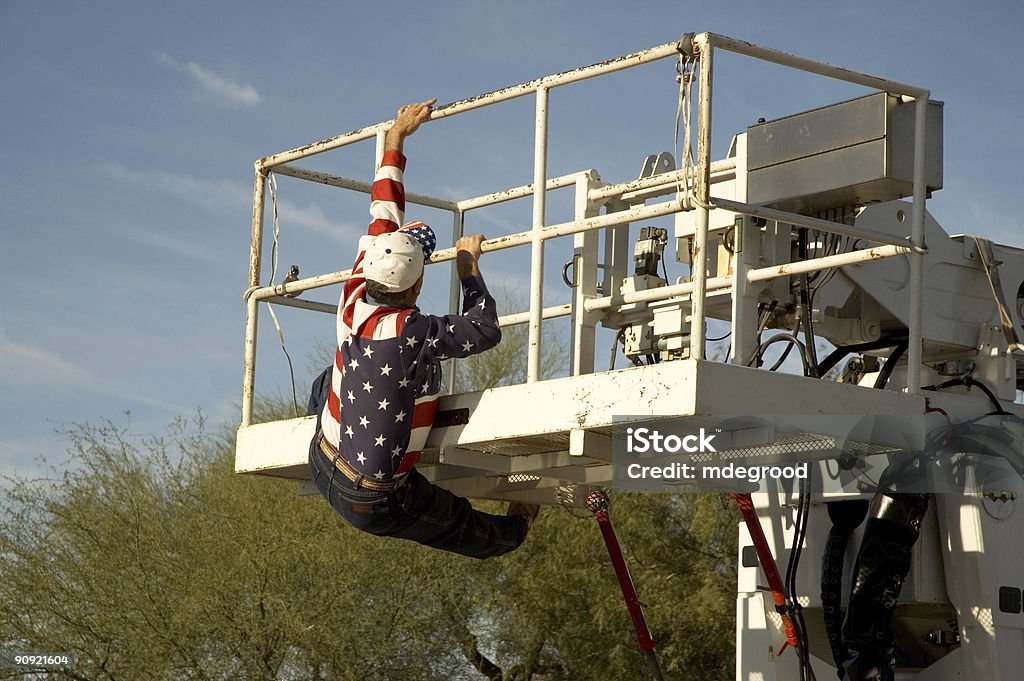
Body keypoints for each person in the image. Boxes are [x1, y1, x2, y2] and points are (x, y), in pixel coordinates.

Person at [308, 99, 539, 559]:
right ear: (416, 284)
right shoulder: (413, 331)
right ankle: (521, 520)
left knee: (328, 378)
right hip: (375, 499)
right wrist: (469, 269)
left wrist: (396, 137)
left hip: (322, 461)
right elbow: (484, 330)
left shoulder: (352, 296)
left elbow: (383, 206)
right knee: (485, 537)